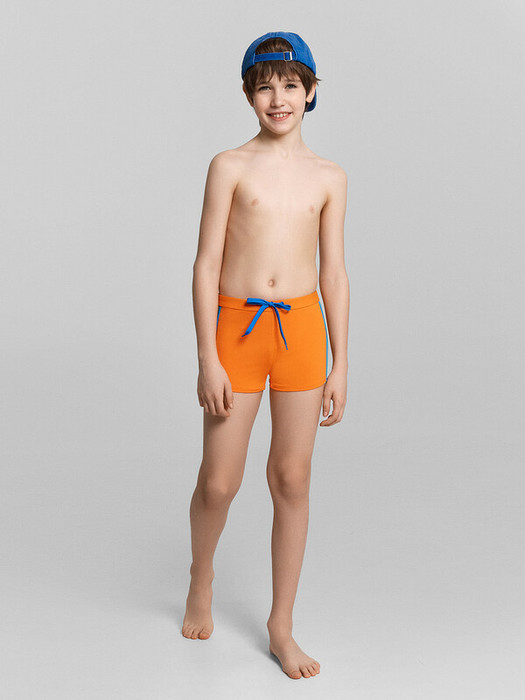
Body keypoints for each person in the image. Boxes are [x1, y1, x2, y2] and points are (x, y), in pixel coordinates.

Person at [182, 31, 350, 680]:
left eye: (290, 85)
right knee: (219, 482)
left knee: (291, 479)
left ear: (311, 92)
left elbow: (333, 272)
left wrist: (340, 362)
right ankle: (201, 576)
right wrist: (208, 356)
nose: (277, 98)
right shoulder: (229, 165)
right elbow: (205, 264)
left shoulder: (329, 177)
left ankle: (281, 625)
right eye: (264, 86)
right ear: (248, 94)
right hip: (238, 331)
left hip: (302, 332)